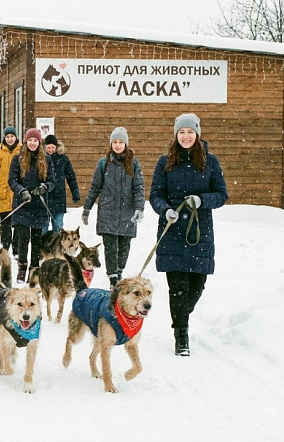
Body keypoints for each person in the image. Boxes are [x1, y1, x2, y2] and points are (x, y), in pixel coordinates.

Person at [149, 114, 227, 357]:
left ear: (197, 134)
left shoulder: (210, 162)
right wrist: (166, 210)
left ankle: (182, 314)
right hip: (172, 230)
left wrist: (201, 200)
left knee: (197, 285)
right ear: (176, 135)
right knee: (178, 287)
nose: (185, 136)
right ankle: (181, 334)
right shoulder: (165, 163)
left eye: (190, 132)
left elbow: (222, 194)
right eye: (181, 132)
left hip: (199, 230)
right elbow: (156, 195)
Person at [82, 127, 145, 290]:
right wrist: (87, 208)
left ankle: (119, 272)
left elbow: (139, 187)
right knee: (111, 248)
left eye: (121, 142)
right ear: (111, 144)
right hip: (107, 212)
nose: (117, 145)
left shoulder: (134, 163)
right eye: (115, 142)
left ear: (126, 144)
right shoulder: (104, 164)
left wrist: (139, 208)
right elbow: (95, 187)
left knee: (124, 247)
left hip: (127, 213)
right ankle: (113, 280)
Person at [8, 128, 54, 283]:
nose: (33, 143)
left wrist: (44, 187)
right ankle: (22, 267)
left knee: (36, 240)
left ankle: (34, 268)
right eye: (30, 140)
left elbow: (52, 182)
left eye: (35, 140)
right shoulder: (18, 159)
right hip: (23, 203)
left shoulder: (46, 159)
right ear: (26, 142)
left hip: (39, 205)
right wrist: (22, 191)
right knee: (22, 238)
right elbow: (12, 180)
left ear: (39, 142)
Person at [0, 126, 21, 252]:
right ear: (4, 138)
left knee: (18, 223)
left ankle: (16, 248)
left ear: (16, 137)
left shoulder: (21, 152)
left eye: (12, 136)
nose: (10, 139)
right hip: (3, 192)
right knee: (5, 224)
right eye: (8, 137)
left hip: (17, 192)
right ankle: (6, 247)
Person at [43, 134, 80, 233]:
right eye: (48, 148)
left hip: (58, 198)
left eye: (53, 147)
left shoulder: (63, 159)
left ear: (56, 147)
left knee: (58, 228)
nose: (50, 150)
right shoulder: (41, 159)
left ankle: (56, 248)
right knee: (43, 229)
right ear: (45, 147)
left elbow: (71, 177)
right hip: (44, 199)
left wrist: (75, 193)